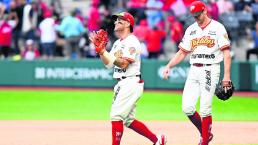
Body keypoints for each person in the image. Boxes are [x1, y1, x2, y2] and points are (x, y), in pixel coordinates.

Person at [89, 12, 167, 145]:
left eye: (120, 20)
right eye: (116, 20)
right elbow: (108, 64)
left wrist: (103, 51)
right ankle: (157, 140)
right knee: (128, 120)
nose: (116, 22)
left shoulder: (132, 41)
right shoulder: (117, 43)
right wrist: (101, 51)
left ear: (128, 24)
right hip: (122, 83)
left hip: (130, 81)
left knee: (116, 116)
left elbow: (124, 63)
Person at [162, 1, 232, 145]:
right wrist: (169, 65)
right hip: (194, 69)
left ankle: (205, 141)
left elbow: (226, 53)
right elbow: (182, 52)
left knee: (205, 107)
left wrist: (226, 77)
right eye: (193, 15)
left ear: (205, 11)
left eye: (198, 14)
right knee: (187, 107)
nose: (196, 17)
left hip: (210, 68)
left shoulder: (217, 27)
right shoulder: (191, 30)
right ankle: (206, 134)